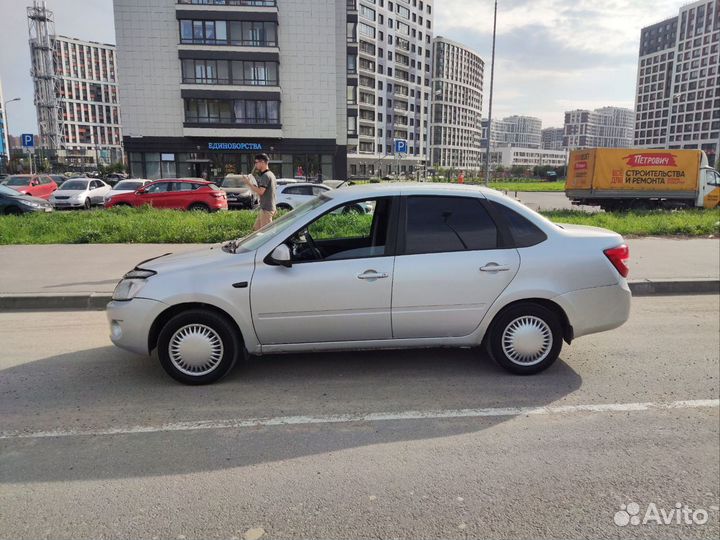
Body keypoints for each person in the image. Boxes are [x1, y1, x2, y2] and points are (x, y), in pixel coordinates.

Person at [243, 153, 276, 231]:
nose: (255, 164)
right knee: (255, 231)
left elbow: (261, 192)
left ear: (263, 162)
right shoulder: (271, 174)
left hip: (266, 209)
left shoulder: (266, 176)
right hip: (266, 208)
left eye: (256, 162)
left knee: (267, 234)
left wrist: (249, 183)